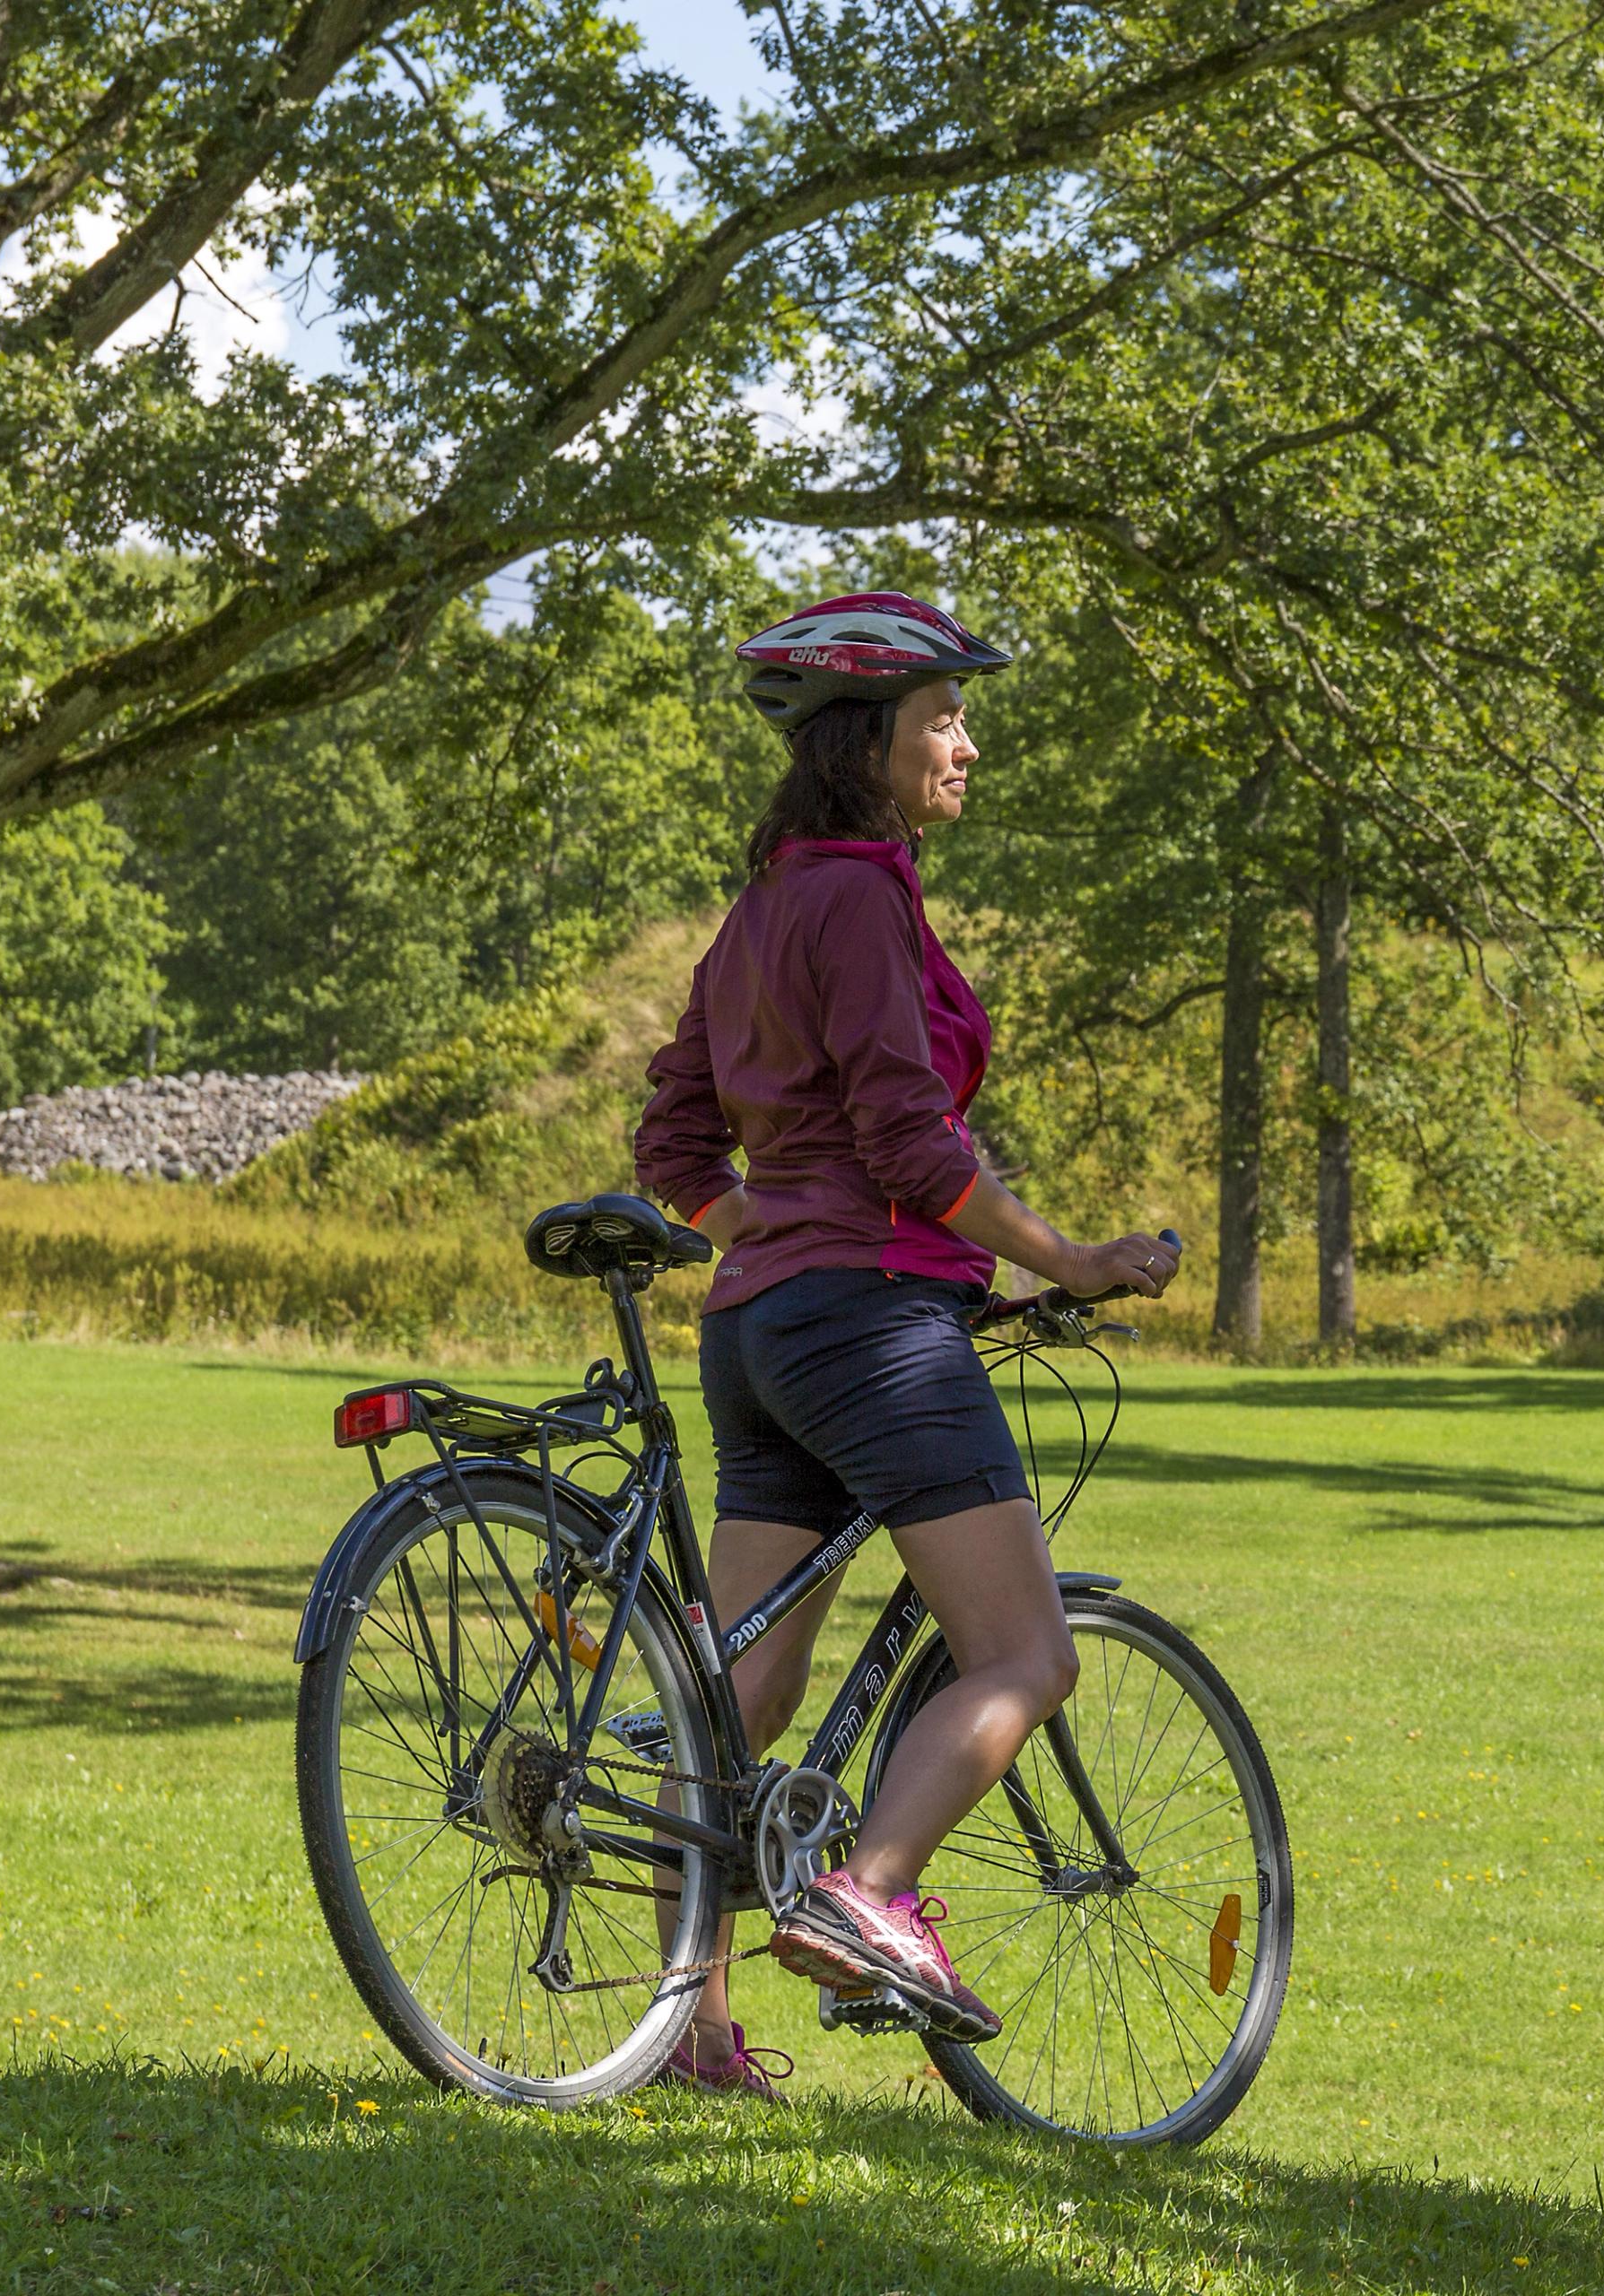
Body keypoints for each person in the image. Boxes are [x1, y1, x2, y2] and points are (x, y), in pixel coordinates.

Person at [632, 591, 1181, 2097]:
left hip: (762, 1339)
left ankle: (687, 2023)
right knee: (1023, 1649)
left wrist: (775, 1235)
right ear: (870, 740)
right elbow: (902, 1132)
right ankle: (865, 1890)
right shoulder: (862, 895)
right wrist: (1068, 1256)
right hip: (865, 1328)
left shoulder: (763, 905)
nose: (967, 741)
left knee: (735, 1692)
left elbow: (677, 1132)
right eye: (943, 717)